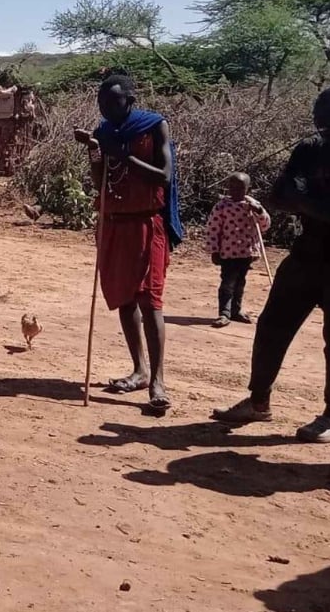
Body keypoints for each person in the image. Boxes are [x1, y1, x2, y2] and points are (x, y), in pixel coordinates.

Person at [214, 86, 330, 444]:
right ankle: (258, 400)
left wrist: (301, 197)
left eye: (325, 112)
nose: (317, 118)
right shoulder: (308, 150)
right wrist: (303, 200)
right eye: (316, 109)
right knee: (271, 325)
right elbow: (277, 197)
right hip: (305, 253)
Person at [73, 74, 183, 415]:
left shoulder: (154, 127)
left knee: (150, 300)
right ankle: (139, 370)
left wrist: (124, 156)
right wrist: (95, 151)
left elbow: (164, 175)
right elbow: (99, 180)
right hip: (114, 224)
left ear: (130, 100)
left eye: (113, 102)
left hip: (147, 223)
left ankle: (158, 381)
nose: (106, 109)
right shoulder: (105, 133)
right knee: (123, 298)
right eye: (101, 104)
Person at [206, 172, 271, 327]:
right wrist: (214, 250)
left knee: (240, 282)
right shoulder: (222, 206)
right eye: (232, 187)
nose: (235, 191)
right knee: (227, 282)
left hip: (246, 252)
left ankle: (236, 311)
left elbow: (265, 225)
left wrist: (259, 211)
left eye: (240, 188)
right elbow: (213, 229)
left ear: (248, 188)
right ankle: (224, 313)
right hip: (228, 253)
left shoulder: (253, 205)